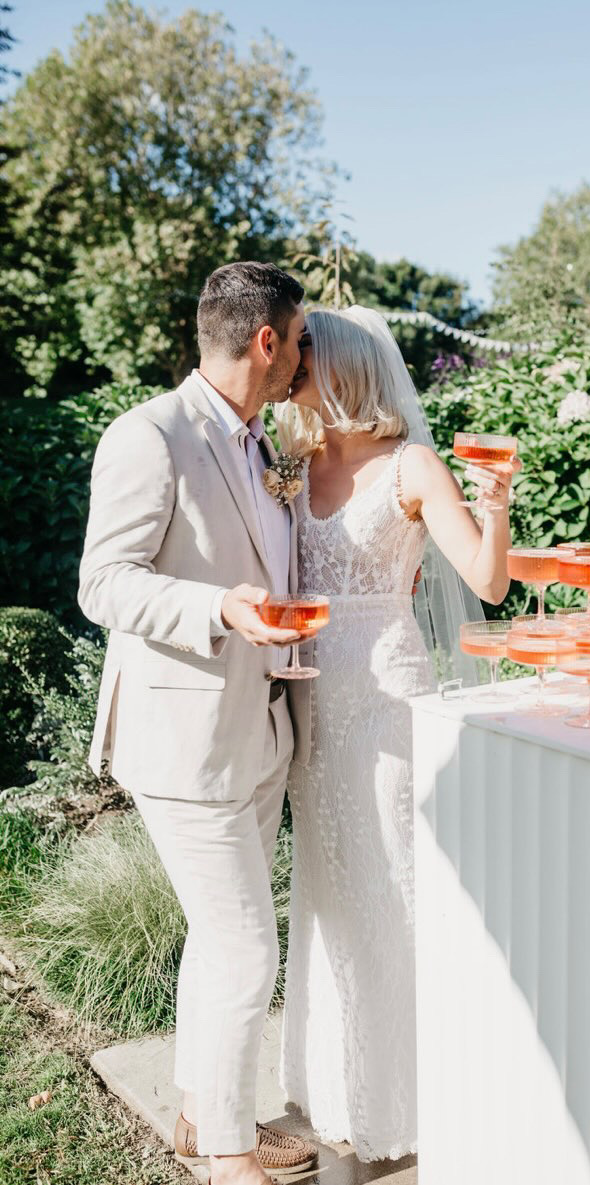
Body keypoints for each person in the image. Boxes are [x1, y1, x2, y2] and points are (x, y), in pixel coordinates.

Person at [78, 262, 318, 1185]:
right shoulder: (148, 435)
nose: (304, 357)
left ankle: (198, 1113)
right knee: (248, 948)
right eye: (299, 339)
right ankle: (229, 1154)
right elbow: (105, 583)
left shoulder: (265, 443)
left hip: (259, 733)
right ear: (267, 340)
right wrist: (218, 607)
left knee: (222, 940)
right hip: (183, 743)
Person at [273, 305, 518, 1160]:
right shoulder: (293, 459)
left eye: (303, 353)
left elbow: (487, 581)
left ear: (340, 362)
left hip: (388, 695)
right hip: (311, 702)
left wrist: (497, 505)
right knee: (328, 886)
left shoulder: (413, 462)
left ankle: (424, 1089)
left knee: (395, 881)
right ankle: (344, 1083)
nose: (291, 366)